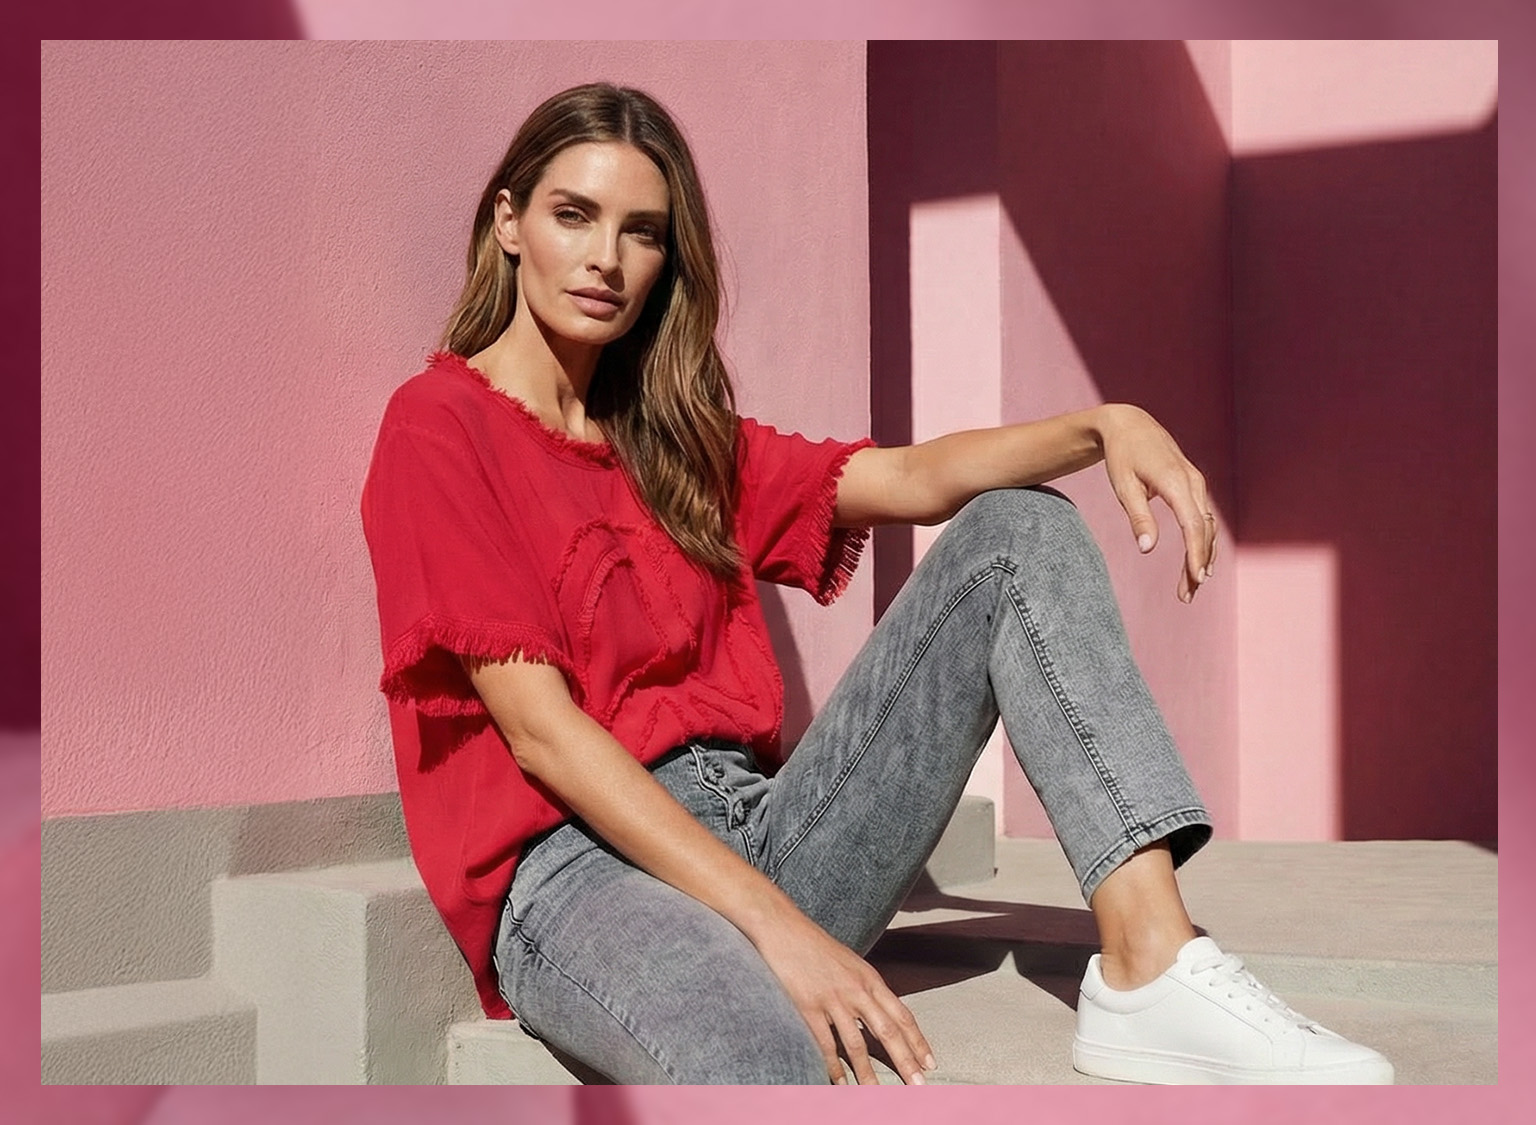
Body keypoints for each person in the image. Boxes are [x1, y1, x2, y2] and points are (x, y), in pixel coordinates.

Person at [361, 82, 1394, 1086]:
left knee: (1018, 528)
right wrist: (782, 932)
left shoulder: (672, 442)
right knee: (759, 1056)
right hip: (576, 867)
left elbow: (903, 477)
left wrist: (1100, 425)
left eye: (641, 231)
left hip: (762, 828)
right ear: (508, 220)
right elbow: (542, 734)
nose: (605, 259)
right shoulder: (439, 428)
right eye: (573, 215)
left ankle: (1150, 966)